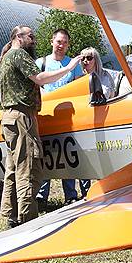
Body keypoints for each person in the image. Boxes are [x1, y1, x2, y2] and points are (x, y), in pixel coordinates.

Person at [0, 26, 81, 228]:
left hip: (8, 118)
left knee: (13, 168)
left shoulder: (5, 58)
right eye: (31, 36)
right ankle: (27, 220)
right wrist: (70, 67)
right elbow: (41, 79)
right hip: (22, 117)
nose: (34, 40)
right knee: (28, 167)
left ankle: (11, 214)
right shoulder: (19, 55)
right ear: (19, 37)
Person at [35, 29, 85, 206]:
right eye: (58, 41)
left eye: (64, 42)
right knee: (44, 156)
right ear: (52, 42)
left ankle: (70, 195)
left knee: (67, 155)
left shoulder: (73, 64)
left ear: (68, 45)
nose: (61, 45)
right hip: (45, 116)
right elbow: (35, 85)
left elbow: (80, 87)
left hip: (67, 118)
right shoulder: (41, 63)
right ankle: (41, 197)